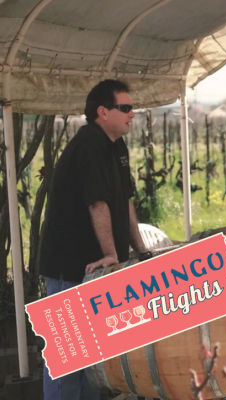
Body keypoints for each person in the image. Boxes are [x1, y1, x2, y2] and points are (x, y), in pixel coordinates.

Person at [38, 79, 152, 400]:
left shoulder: (117, 145)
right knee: (67, 356)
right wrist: (112, 256)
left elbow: (124, 201)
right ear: (103, 112)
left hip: (95, 268)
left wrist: (139, 251)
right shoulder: (90, 143)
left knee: (91, 362)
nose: (132, 114)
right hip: (69, 265)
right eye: (125, 108)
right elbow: (97, 202)